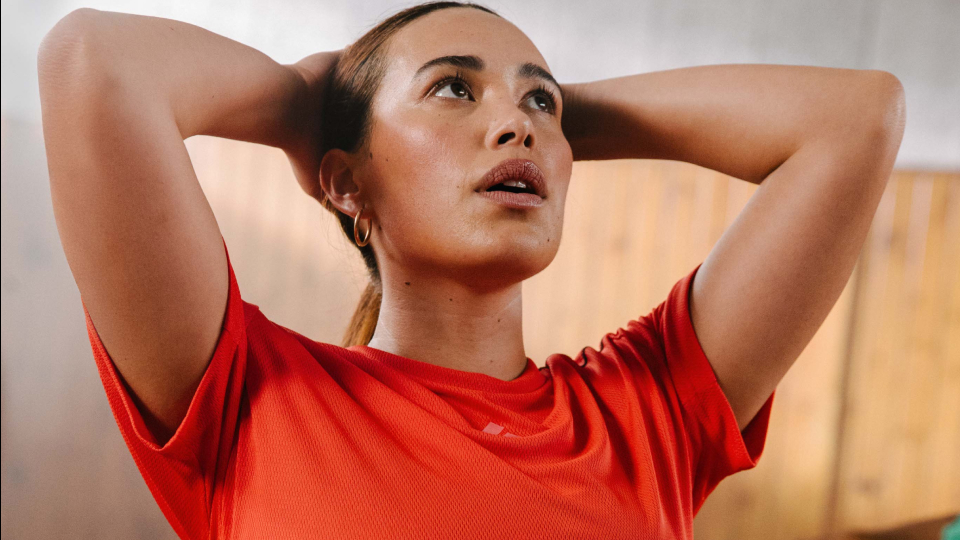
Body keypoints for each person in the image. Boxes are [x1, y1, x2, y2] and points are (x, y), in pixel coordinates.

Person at [37, 1, 906, 538]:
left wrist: (566, 124)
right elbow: (92, 61)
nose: (517, 124)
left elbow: (859, 118)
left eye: (539, 101)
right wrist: (309, 102)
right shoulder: (244, 398)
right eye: (454, 87)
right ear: (344, 180)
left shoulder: (650, 413)